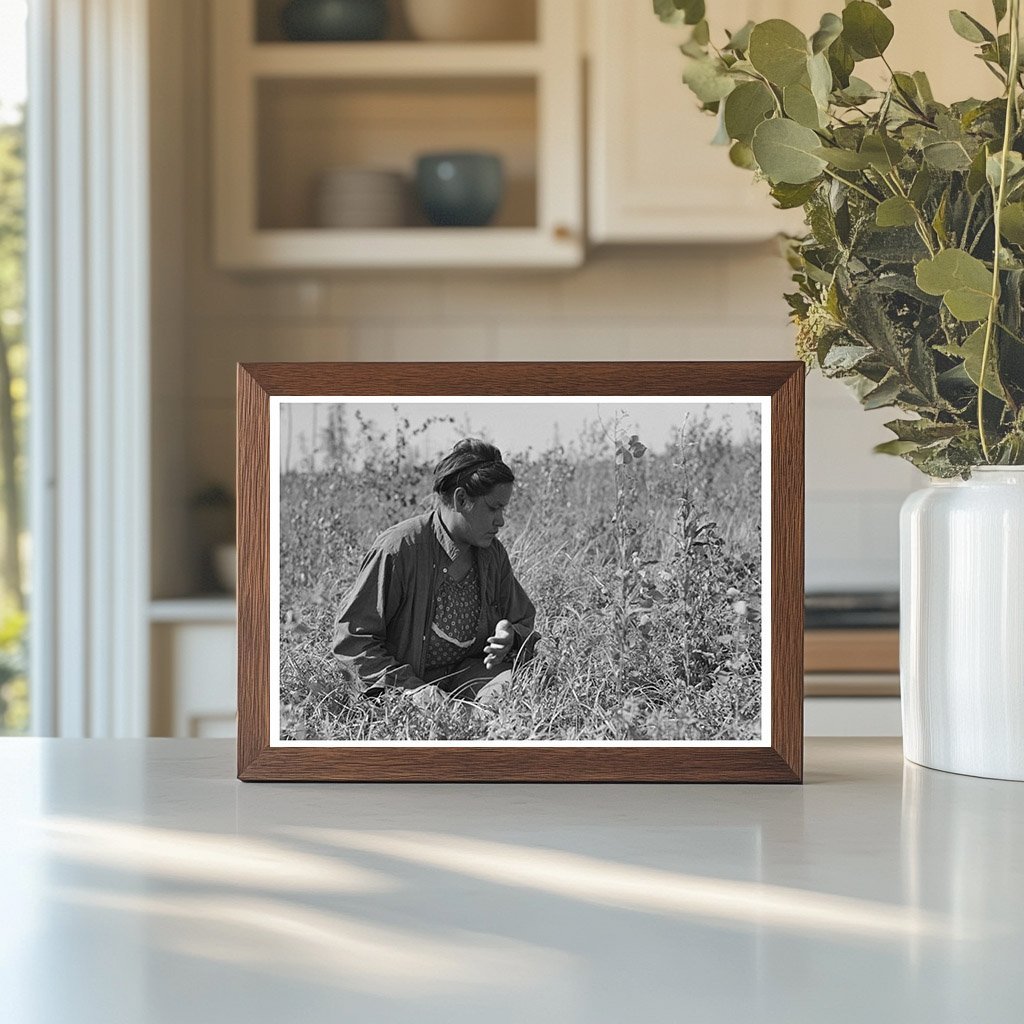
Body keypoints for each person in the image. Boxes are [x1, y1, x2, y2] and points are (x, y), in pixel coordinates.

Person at [332, 438, 537, 706]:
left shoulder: (492, 553)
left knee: (519, 696)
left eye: (503, 509)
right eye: (493, 508)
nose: (501, 521)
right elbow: (352, 641)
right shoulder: (398, 549)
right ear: (461, 499)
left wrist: (511, 637)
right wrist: (411, 690)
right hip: (406, 685)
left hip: (468, 678)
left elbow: (523, 620)